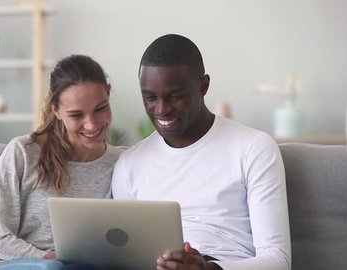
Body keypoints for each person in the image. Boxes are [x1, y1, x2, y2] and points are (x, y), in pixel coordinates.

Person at [111, 34, 291, 270]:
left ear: (203, 86)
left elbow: (278, 260)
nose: (161, 110)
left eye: (175, 96)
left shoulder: (253, 148)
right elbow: (126, 256)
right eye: (150, 98)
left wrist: (207, 269)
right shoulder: (129, 164)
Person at [0, 54, 125, 270]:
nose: (91, 125)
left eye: (100, 109)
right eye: (76, 115)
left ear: (108, 94)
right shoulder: (24, 153)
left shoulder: (122, 163)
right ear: (56, 110)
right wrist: (47, 259)